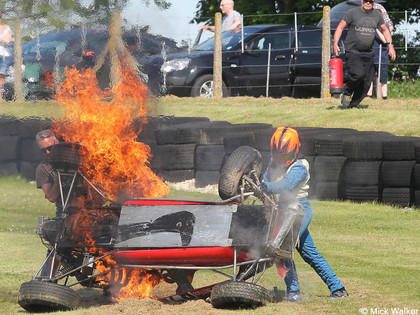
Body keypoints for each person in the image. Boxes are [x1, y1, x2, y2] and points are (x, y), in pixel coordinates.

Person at [262, 127, 348, 301]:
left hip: (298, 211)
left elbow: (285, 185)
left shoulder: (301, 167)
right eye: (277, 155)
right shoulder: (273, 162)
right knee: (309, 252)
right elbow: (264, 179)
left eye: (284, 155)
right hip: (282, 210)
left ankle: (293, 292)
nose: (280, 159)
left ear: (295, 150)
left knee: (282, 250)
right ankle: (338, 289)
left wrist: (264, 187)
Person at [333, 0, 396, 108]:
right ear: (362, 1)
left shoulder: (377, 14)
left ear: (373, 2)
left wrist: (390, 46)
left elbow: (385, 30)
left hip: (368, 53)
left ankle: (352, 104)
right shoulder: (352, 12)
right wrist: (335, 44)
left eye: (370, 1)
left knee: (366, 83)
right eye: (366, 1)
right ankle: (347, 92)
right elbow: (340, 27)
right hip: (353, 51)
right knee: (358, 75)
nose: (368, 3)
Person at [35, 129, 62, 216]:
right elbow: (51, 197)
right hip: (65, 211)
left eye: (50, 148)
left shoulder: (75, 159)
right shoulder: (43, 168)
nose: (47, 152)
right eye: (43, 150)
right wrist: (61, 175)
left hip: (91, 207)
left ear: (57, 142)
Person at [367, 27, 390, 99]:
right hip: (371, 57)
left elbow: (385, 40)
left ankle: (384, 97)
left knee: (383, 79)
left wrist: (376, 29)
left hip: (382, 58)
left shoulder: (385, 28)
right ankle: (369, 96)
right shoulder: (369, 28)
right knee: (369, 78)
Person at [0, 11, 12, 100]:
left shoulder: (6, 28)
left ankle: (0, 96)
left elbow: (7, 41)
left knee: (1, 75)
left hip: (3, 54)